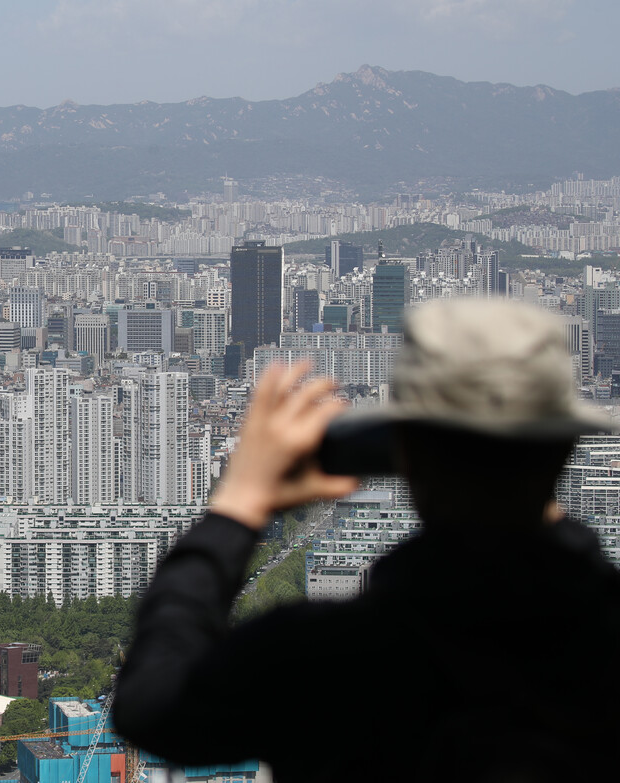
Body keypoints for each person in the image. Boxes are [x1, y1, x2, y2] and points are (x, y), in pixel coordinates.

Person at [114, 298, 620, 782]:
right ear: (566, 445)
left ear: (402, 453)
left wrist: (238, 506)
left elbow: (151, 706)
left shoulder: (329, 659)